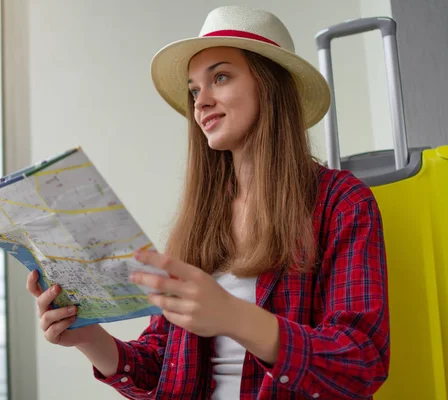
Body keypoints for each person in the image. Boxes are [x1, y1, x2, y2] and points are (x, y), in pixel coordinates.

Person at [26, 6, 390, 399]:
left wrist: (233, 316)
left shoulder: (342, 202)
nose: (200, 102)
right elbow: (162, 367)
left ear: (270, 86)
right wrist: (88, 337)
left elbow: (361, 362)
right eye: (195, 89)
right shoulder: (201, 221)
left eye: (220, 77)